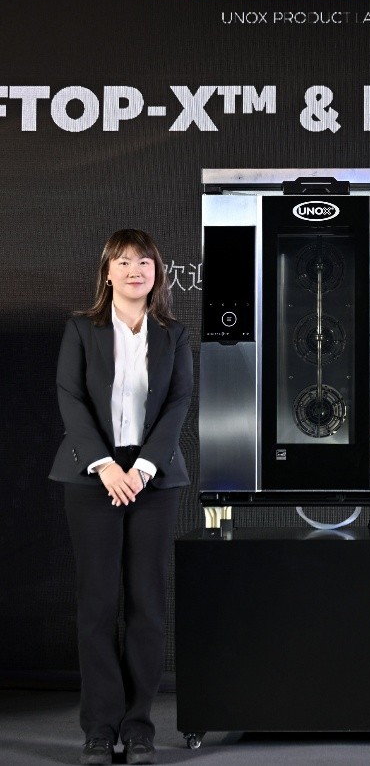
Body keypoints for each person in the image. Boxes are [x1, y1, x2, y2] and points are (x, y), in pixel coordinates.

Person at [49, 229, 194, 766]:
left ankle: (137, 728)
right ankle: (99, 728)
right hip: (92, 476)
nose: (135, 271)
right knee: (97, 604)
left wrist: (143, 467)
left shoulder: (174, 335)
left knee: (147, 606)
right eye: (124, 262)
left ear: (157, 273)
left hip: (153, 479)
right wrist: (106, 465)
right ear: (108, 273)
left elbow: (178, 401)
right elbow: (70, 397)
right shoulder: (80, 329)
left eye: (145, 262)